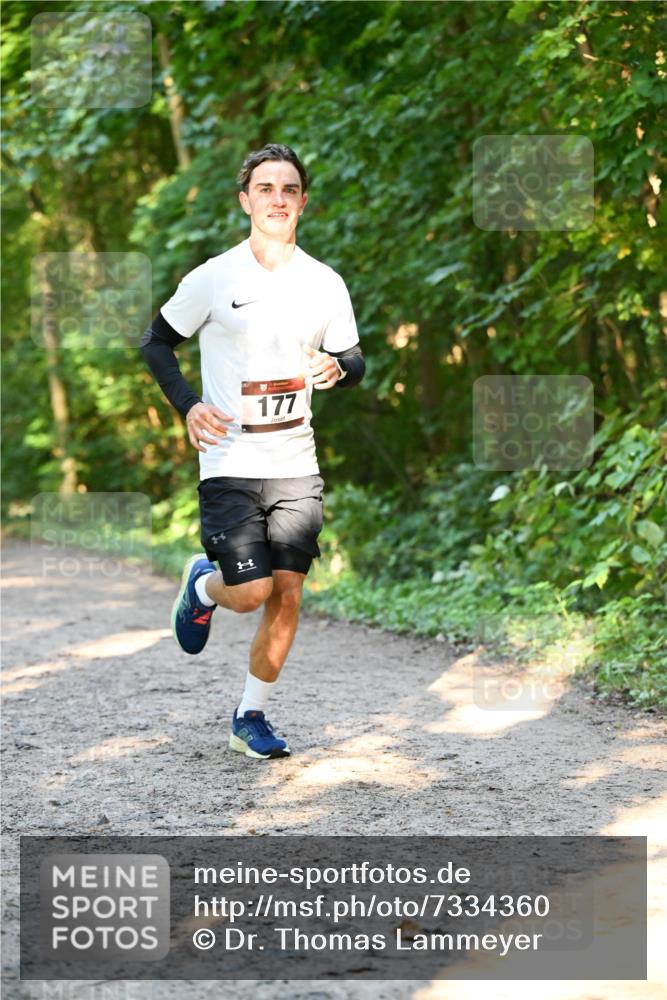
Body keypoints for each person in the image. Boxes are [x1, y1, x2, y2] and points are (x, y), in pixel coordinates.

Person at [140, 143, 365, 760]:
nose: (277, 199)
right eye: (265, 189)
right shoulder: (214, 276)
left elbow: (354, 358)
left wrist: (336, 369)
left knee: (288, 591)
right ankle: (205, 587)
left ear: (302, 203)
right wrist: (188, 405)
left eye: (288, 189)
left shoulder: (325, 283)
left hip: (296, 460)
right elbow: (156, 342)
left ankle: (250, 715)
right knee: (251, 593)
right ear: (246, 200)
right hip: (231, 462)